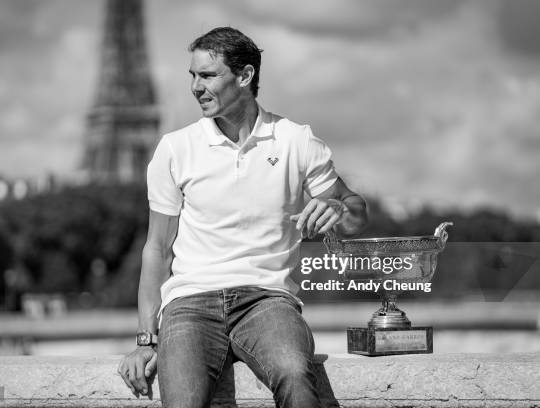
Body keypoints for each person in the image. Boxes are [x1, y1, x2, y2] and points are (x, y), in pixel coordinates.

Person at [118, 27, 367, 408]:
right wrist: (144, 339)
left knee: (296, 377)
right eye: (193, 76)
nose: (196, 87)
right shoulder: (175, 148)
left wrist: (336, 208)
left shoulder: (296, 140)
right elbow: (158, 248)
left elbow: (356, 215)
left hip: (267, 301)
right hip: (190, 303)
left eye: (208, 75)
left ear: (245, 76)